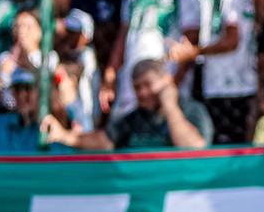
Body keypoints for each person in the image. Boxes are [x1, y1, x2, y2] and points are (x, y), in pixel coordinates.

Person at [170, 0, 258, 145]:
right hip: (225, 84)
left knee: (226, 147)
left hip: (231, 85)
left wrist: (193, 52)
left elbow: (231, 40)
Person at [42, 58, 212, 151]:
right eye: (137, 87)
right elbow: (105, 141)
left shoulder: (192, 110)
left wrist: (170, 107)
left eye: (148, 84)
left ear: (167, 80)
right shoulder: (133, 119)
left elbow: (194, 148)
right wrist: (65, 136)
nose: (142, 93)